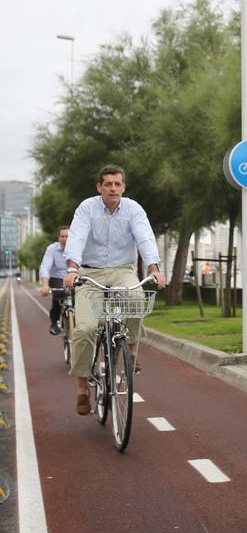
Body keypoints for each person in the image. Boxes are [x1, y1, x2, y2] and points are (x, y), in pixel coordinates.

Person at [63, 165, 166, 415]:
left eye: (117, 184)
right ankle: (81, 388)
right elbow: (76, 236)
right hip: (90, 272)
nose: (113, 188)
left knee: (135, 297)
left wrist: (154, 268)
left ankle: (130, 350)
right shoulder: (87, 208)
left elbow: (144, 238)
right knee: (85, 328)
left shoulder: (133, 209)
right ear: (99, 187)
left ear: (123, 186)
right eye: (107, 184)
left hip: (123, 270)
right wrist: (72, 267)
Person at [39, 226, 70, 335]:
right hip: (57, 278)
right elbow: (45, 267)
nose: (65, 239)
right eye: (62, 236)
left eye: (67, 236)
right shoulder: (52, 249)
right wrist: (45, 285)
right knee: (58, 296)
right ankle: (54, 322)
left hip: (73, 277)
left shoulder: (77, 248)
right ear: (58, 237)